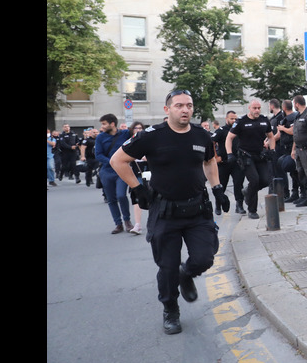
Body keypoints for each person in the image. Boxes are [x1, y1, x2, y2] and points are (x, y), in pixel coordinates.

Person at [110, 89, 227, 335]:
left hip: (197, 210)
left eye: (189, 105)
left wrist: (217, 189)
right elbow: (117, 160)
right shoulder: (151, 136)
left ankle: (188, 274)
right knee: (167, 267)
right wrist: (138, 188)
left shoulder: (201, 135)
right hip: (165, 212)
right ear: (167, 110)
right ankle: (170, 310)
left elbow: (209, 161)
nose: (185, 110)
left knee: (205, 257)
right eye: (179, 105)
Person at [225, 99, 275, 219]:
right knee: (255, 180)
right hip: (246, 156)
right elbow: (229, 138)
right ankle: (252, 210)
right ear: (249, 108)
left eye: (258, 108)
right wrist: (229, 154)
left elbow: (271, 136)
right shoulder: (241, 121)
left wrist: (272, 150)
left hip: (260, 155)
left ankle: (247, 191)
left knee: (265, 180)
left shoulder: (264, 120)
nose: (257, 110)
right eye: (254, 108)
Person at [95, 113, 132, 234]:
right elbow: (98, 155)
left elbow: (136, 137)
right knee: (111, 199)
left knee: (121, 195)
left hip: (122, 171)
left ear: (112, 124)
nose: (103, 126)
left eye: (104, 124)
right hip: (107, 172)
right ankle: (118, 224)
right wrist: (112, 162)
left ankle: (127, 221)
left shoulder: (125, 134)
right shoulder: (100, 137)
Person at [212, 111, 246, 214]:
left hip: (237, 162)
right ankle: (218, 204)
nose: (234, 121)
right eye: (232, 119)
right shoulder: (221, 130)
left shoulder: (239, 130)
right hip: (224, 163)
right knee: (221, 185)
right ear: (226, 119)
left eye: (235, 119)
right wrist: (215, 157)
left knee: (238, 184)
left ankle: (239, 205)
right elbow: (211, 142)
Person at [126, 122, 147, 235]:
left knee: (154, 196)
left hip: (148, 171)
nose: (138, 130)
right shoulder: (130, 142)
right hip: (135, 172)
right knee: (137, 196)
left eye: (140, 128)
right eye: (136, 128)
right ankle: (137, 224)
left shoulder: (148, 140)